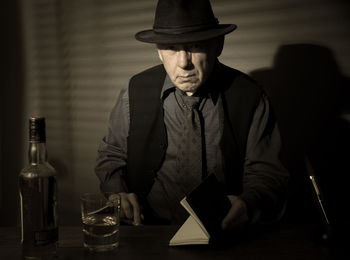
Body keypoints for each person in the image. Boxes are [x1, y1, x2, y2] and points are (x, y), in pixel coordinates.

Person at [95, 0, 289, 231]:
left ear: (218, 45)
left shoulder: (250, 96)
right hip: (147, 230)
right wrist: (117, 193)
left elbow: (267, 173)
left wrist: (247, 204)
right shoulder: (135, 90)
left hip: (224, 232)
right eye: (172, 48)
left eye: (196, 46)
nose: (184, 62)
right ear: (159, 52)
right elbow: (112, 154)